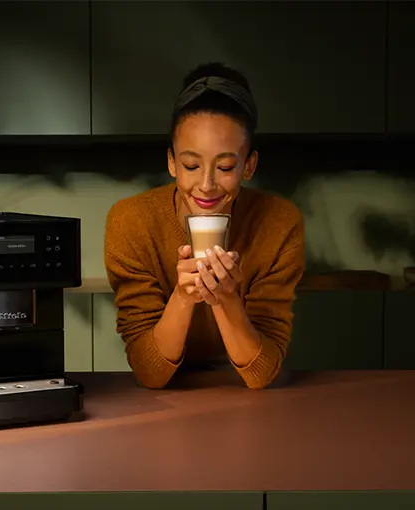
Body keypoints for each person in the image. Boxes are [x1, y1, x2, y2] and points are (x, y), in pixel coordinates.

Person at [103, 62, 305, 390]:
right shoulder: (131, 221)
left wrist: (226, 299)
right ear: (171, 162)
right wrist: (184, 297)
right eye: (191, 165)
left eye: (225, 166)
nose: (207, 185)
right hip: (168, 396)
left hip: (242, 392)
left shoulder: (279, 223)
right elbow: (150, 373)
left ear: (249, 165)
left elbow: (261, 373)